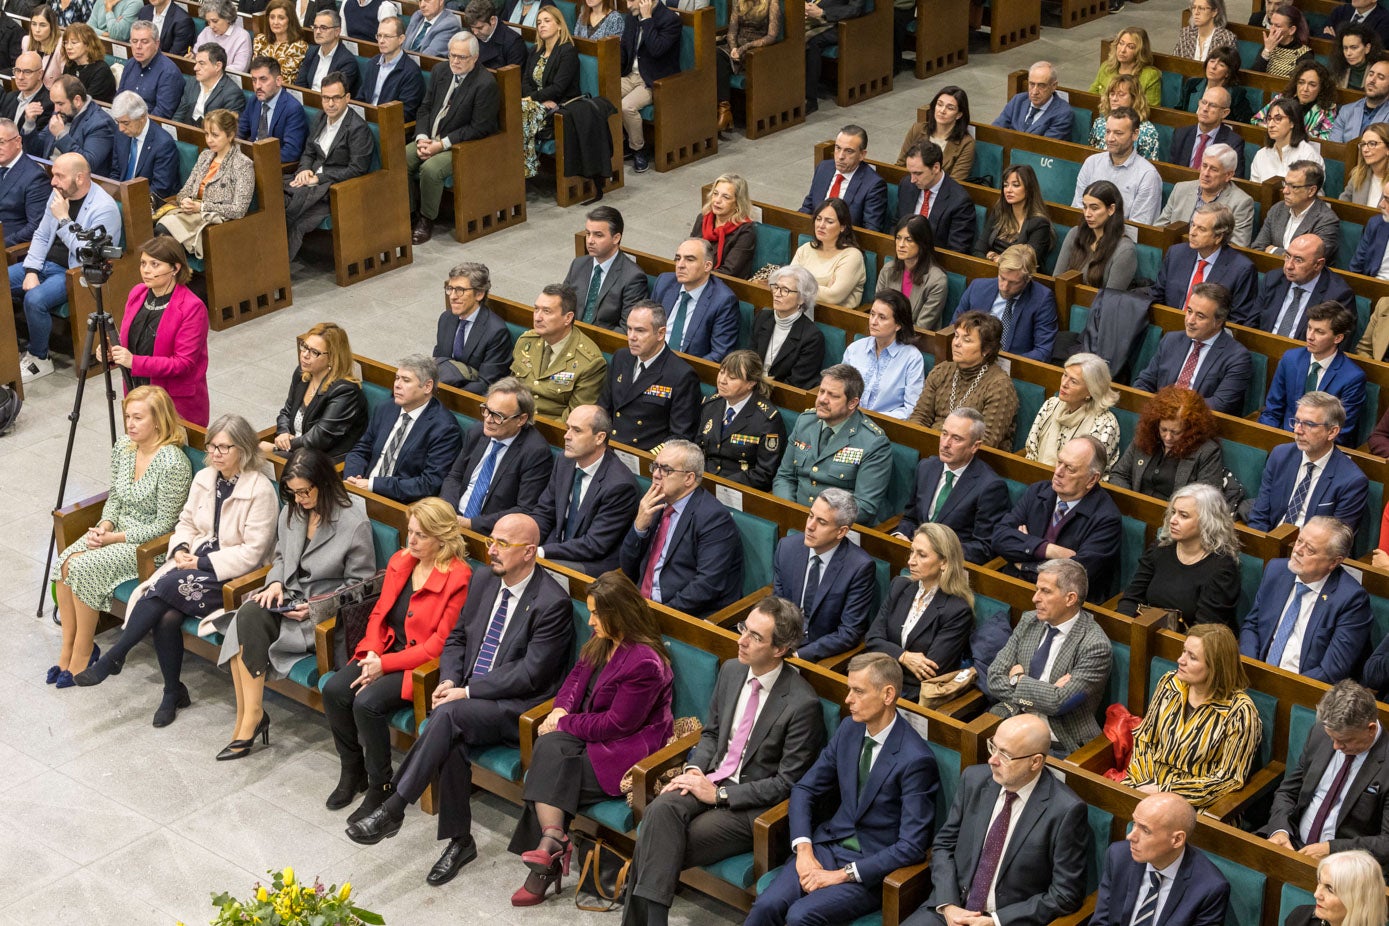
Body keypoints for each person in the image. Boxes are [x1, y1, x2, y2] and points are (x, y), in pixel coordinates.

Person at [343, 514, 573, 884]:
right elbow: (457, 639)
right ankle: (459, 841)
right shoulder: (484, 580)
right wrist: (449, 678)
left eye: (503, 545)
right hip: (467, 699)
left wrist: (466, 691)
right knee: (449, 731)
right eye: (491, 541)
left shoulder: (551, 603)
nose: (492, 550)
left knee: (447, 718)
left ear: (530, 552)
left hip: (514, 708)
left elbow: (531, 674)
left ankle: (394, 808)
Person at [621, 597, 826, 926]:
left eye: (755, 637)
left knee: (658, 840)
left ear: (780, 649)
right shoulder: (732, 670)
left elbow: (786, 783)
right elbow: (712, 734)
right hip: (710, 777)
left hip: (748, 807)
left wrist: (718, 796)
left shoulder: (802, 704)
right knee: (661, 810)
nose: (741, 639)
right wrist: (693, 771)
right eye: (744, 628)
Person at [77, 415, 278, 727]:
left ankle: (115, 656)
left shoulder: (260, 490)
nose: (216, 453)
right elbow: (184, 522)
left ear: (244, 449)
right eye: (212, 446)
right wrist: (182, 549)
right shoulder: (206, 479)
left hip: (232, 577)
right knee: (167, 616)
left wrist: (202, 563)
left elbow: (254, 552)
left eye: (225, 447)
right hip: (190, 565)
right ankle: (172, 691)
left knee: (163, 590)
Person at [506, 570, 674, 906]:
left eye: (597, 613)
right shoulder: (603, 641)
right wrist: (559, 711)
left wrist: (565, 723)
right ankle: (552, 841)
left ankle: (546, 858)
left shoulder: (644, 662)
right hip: (589, 735)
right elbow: (574, 680)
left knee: (549, 766)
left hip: (625, 749)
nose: (591, 621)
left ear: (619, 614)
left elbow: (617, 725)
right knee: (549, 750)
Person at [746, 652, 938, 926]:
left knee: (800, 916)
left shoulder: (916, 759)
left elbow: (911, 846)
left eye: (858, 691)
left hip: (869, 868)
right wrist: (804, 850)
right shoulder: (850, 729)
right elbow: (804, 789)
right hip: (827, 847)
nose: (848, 699)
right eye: (850, 689)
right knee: (767, 905)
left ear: (887, 695)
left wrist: (842, 874)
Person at [212, 448, 374, 759]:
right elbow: (282, 557)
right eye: (293, 492)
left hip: (321, 614)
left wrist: (316, 609)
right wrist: (274, 581)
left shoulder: (354, 522)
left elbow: (360, 589)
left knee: (244, 631)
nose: (298, 499)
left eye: (304, 492)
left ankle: (250, 722)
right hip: (287, 598)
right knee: (247, 615)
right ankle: (252, 715)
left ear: (324, 483)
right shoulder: (293, 511)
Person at [322, 497, 472, 823]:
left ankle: (381, 784)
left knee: (366, 703)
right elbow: (379, 614)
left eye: (421, 535)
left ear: (443, 538)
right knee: (335, 690)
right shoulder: (402, 560)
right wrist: (374, 651)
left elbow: (439, 645)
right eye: (410, 532)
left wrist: (384, 666)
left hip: (417, 666)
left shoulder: (458, 577)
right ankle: (353, 770)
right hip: (386, 648)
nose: (411, 540)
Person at [49, 387, 192, 689]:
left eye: (138, 417)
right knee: (64, 563)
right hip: (116, 532)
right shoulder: (124, 447)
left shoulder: (172, 463)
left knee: (83, 567)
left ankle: (84, 652)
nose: (130, 423)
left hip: (146, 546)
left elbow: (166, 525)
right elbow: (115, 496)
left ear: (158, 421)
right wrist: (104, 525)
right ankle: (68, 649)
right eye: (127, 416)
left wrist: (115, 538)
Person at [904, 713, 1089, 926]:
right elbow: (944, 845)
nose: (992, 760)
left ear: (1035, 762)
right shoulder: (974, 780)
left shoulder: (1065, 810)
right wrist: (948, 904)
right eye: (994, 746)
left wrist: (995, 921)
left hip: (1006, 921)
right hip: (951, 909)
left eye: (1005, 755)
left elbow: (1065, 895)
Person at [11, 152, 121, 384]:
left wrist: (63, 220)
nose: (53, 181)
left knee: (35, 299)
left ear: (79, 178)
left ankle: (40, 358)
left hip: (73, 272)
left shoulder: (104, 208)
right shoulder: (59, 194)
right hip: (43, 264)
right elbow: (41, 235)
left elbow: (87, 254)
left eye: (59, 176)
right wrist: (31, 270)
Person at [1125, 626, 1262, 806]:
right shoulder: (1169, 683)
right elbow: (1145, 739)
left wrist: (1166, 791)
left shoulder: (1240, 712)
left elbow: (1228, 779)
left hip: (1196, 802)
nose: (1180, 660)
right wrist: (1144, 784)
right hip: (1146, 782)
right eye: (1184, 651)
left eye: (1192, 657)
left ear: (1216, 667)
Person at [1261, 681, 1389, 869]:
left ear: (1370, 729)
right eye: (1333, 738)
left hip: (1346, 867)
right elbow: (1288, 792)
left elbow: (1386, 842)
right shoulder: (1321, 733)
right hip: (1292, 842)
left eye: (1344, 741)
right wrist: (1280, 831)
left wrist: (1332, 849)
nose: (1336, 747)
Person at [1239, 516, 1371, 682]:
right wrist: (1253, 669)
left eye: (1310, 550)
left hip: (1303, 691)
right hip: (1256, 676)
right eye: (1299, 540)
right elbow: (1252, 625)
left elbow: (1333, 670)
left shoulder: (1351, 600)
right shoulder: (1277, 570)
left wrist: (1281, 685)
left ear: (1334, 562)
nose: (1297, 550)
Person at [620, 440, 743, 616]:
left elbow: (706, 585)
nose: (655, 474)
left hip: (681, 614)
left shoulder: (713, 519)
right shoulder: (655, 503)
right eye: (655, 466)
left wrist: (661, 614)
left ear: (689, 478)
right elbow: (627, 567)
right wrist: (639, 527)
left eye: (665, 470)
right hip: (642, 604)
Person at [101, 237, 211, 427]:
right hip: (137, 392)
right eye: (143, 263)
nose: (146, 270)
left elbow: (183, 363)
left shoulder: (193, 307)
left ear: (175, 268)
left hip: (173, 403)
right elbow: (130, 341)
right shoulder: (138, 293)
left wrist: (133, 361)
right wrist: (113, 354)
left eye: (155, 264)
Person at [863, 522, 974, 701]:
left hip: (913, 696)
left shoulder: (957, 610)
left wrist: (886, 653)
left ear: (944, 562)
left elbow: (929, 671)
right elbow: (872, 639)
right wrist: (903, 656)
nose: (911, 561)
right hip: (878, 680)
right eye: (912, 551)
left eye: (921, 555)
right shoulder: (899, 586)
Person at [407, 32, 499, 244]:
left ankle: (426, 219)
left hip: (460, 145)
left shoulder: (485, 84)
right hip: (429, 137)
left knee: (430, 169)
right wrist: (421, 137)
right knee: (400, 159)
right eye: (452, 55)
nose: (455, 61)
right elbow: (425, 108)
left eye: (462, 57)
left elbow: (479, 128)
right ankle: (409, 214)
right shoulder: (440, 71)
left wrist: (441, 145)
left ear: (475, 58)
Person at [995, 436, 1123, 588]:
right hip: (1013, 585)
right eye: (1059, 462)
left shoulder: (1106, 518)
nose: (1058, 472)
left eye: (1070, 468)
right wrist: (1048, 550)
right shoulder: (1038, 491)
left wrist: (1025, 562)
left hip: (1063, 604)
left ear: (1091, 479)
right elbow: (999, 537)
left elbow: (1076, 576)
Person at [773, 365, 892, 525]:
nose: (822, 399)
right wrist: (791, 512)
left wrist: (817, 521)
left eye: (833, 395)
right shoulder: (805, 421)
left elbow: (865, 507)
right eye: (821, 391)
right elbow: (784, 476)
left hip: (836, 528)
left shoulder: (873, 442)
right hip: (794, 517)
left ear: (852, 403)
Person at [1091, 793, 1232, 926]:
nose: (1130, 837)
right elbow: (1101, 921)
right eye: (1134, 823)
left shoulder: (1210, 888)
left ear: (1177, 839)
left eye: (1145, 830)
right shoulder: (1119, 856)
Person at [532, 405, 639, 574]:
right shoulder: (564, 461)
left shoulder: (620, 485)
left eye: (577, 431)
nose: (567, 436)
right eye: (568, 428)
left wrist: (541, 552)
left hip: (591, 563)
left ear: (599, 437)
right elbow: (545, 511)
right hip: (558, 547)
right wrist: (524, 539)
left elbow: (594, 545)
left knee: (532, 568)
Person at [343, 354, 464, 502]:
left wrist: (374, 485)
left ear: (427, 386)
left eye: (406, 380)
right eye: (397, 378)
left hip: (400, 503)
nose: (397, 385)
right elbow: (361, 449)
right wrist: (352, 477)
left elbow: (429, 484)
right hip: (360, 488)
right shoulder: (386, 408)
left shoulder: (445, 428)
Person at [773, 490, 876, 661]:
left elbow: (849, 632)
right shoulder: (787, 548)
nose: (810, 526)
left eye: (821, 522)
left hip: (817, 651)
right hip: (781, 639)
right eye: (810, 516)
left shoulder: (859, 567)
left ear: (841, 532)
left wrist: (799, 656)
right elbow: (778, 603)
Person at [895, 407, 1008, 563]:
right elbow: (910, 517)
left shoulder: (990, 487)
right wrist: (901, 535)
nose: (946, 444)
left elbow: (984, 547)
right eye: (944, 433)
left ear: (975, 446)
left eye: (957, 439)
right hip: (914, 556)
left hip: (951, 567)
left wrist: (937, 551)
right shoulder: (926, 467)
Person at [1119, 484, 1240, 628]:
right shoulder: (1160, 549)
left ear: (1207, 522)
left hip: (1189, 644)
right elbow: (1131, 598)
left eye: (1183, 515)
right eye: (1173, 512)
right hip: (1148, 633)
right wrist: (1124, 629)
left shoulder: (1221, 569)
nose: (1172, 520)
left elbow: (1204, 631)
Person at [282, 70, 374, 260]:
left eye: (335, 98)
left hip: (332, 190)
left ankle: (279, 267)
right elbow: (308, 151)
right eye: (325, 98)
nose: (330, 104)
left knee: (292, 212)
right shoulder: (320, 118)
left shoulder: (357, 128)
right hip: (309, 180)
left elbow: (357, 169)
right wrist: (305, 169)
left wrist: (319, 178)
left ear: (347, 98)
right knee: (273, 196)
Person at [441, 378, 551, 533]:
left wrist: (471, 523)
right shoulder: (477, 432)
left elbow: (524, 510)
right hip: (454, 519)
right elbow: (455, 476)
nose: (488, 419)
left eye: (497, 416)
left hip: (491, 532)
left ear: (521, 419)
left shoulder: (535, 452)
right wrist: (448, 511)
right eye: (486, 410)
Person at [1132, 283, 1253, 416]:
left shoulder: (1237, 357)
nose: (1190, 320)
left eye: (1200, 316)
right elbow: (1144, 382)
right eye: (1189, 311)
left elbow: (1220, 404)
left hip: (1198, 425)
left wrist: (1174, 410)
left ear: (1218, 322)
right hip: (1159, 416)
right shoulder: (1171, 340)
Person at [599, 301, 701, 450]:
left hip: (643, 456)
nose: (632, 337)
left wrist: (649, 458)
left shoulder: (681, 375)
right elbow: (603, 407)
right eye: (629, 329)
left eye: (640, 331)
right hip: (609, 446)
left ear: (660, 333)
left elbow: (680, 436)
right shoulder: (621, 357)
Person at [1261, 302, 1366, 445]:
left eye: (1319, 332)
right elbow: (1272, 410)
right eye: (1309, 328)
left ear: (1338, 338)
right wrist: (1268, 440)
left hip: (1322, 448)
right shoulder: (1290, 359)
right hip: (1283, 440)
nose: (1310, 336)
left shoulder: (1352, 377)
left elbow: (1341, 430)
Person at [156, 109, 254, 260]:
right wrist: (185, 200)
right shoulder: (205, 156)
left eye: (215, 135)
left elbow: (239, 210)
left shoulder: (242, 164)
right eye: (207, 134)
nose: (209, 140)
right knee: (155, 228)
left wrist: (201, 207)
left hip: (214, 222)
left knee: (163, 233)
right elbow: (185, 191)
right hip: (191, 213)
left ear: (230, 135)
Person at [911, 311, 1019, 450]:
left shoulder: (999, 386)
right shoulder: (941, 371)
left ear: (986, 350)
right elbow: (919, 417)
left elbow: (986, 442)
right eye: (956, 336)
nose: (956, 343)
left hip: (972, 460)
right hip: (929, 448)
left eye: (966, 340)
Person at [263, 323, 367, 462]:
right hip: (296, 451)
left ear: (332, 358)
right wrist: (283, 433)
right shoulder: (302, 375)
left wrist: (278, 448)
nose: (305, 355)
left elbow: (319, 438)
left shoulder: (345, 391)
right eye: (304, 347)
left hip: (322, 460)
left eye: (314, 352)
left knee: (257, 456)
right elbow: (286, 412)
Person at [1109, 387, 1229, 503]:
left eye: (1175, 432)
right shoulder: (1146, 437)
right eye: (1163, 429)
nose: (1168, 437)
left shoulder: (1206, 451)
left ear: (1190, 430)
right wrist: (1131, 503)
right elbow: (1119, 474)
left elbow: (1207, 501)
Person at [510, 283, 607, 421]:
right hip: (515, 420)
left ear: (568, 318)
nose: (537, 317)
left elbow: (576, 417)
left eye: (546, 311)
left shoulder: (589, 362)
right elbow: (512, 388)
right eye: (536, 309)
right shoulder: (527, 341)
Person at [695, 350, 787, 490]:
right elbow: (697, 448)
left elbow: (764, 473)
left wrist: (720, 486)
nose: (722, 380)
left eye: (732, 377)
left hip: (738, 490)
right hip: (703, 481)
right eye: (722, 372)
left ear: (751, 383)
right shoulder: (711, 404)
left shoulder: (767, 419)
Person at [951, 244, 1057, 363]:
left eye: (1013, 283)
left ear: (1028, 279)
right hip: (970, 361)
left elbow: (1043, 351)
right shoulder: (978, 288)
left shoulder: (1042, 299)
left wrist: (1003, 363)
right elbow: (954, 327)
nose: (1004, 287)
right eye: (1002, 278)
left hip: (1013, 371)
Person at [1152, 203, 1257, 322]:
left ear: (1219, 237)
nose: (1192, 232)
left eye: (1201, 229)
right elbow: (1157, 296)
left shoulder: (1241, 269)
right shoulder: (1176, 253)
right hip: (1169, 328)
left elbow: (1238, 321)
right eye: (1193, 225)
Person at [1024, 353, 1120, 471]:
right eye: (1065, 375)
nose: (1064, 384)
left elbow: (1092, 471)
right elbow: (1031, 452)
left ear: (1091, 390)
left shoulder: (1105, 423)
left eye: (1073, 381)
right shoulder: (1051, 405)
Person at [1247, 234, 1355, 336]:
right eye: (1288, 256)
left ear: (1318, 264)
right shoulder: (1273, 279)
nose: (1289, 266)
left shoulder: (1338, 295)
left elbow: (1334, 346)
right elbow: (1251, 324)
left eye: (1298, 260)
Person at [651, 238, 740, 360]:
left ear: (707, 266)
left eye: (689, 259)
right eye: (678, 258)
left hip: (686, 370)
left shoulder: (723, 300)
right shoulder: (664, 282)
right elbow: (647, 325)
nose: (680, 265)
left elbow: (720, 353)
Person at [431, 262, 513, 393]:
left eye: (460, 290)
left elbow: (487, 383)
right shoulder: (446, 319)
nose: (452, 296)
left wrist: (447, 395)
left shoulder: (496, 331)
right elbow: (438, 360)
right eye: (450, 288)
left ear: (479, 294)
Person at [618, 0, 680, 173]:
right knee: (605, 95)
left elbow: (656, 50)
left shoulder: (670, 20)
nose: (628, 4)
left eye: (631, 0)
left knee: (627, 106)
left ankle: (639, 150)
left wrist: (647, 19)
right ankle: (618, 142)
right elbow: (624, 48)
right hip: (630, 74)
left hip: (653, 80)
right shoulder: (631, 18)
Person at [1073, 107, 1162, 227]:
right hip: (1086, 234)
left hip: (1120, 241)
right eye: (1108, 131)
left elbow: (1138, 228)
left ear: (1135, 134)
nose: (1110, 139)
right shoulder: (1091, 163)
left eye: (1118, 133)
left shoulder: (1147, 175)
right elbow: (1078, 209)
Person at [564, 205, 649, 330]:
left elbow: (627, 329)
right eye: (588, 234)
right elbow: (560, 304)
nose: (590, 241)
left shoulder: (633, 277)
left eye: (598, 235)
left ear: (616, 238)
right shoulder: (578, 264)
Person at [1157, 144, 1257, 249]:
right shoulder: (1181, 189)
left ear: (1228, 175)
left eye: (1213, 169)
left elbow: (1237, 247)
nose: (1206, 173)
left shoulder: (1241, 202)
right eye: (1204, 166)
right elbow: (1160, 228)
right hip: (1175, 253)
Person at [842, 291, 924, 420]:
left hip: (885, 428)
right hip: (848, 419)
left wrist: (870, 419)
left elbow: (911, 409)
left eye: (882, 317)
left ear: (898, 325)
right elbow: (840, 389)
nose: (873, 322)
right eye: (872, 314)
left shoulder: (912, 358)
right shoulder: (855, 349)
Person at [518, 7, 578, 178]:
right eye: (538, 22)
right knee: (511, 111)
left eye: (547, 21)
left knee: (520, 111)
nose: (541, 25)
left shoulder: (567, 51)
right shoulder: (536, 50)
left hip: (560, 106)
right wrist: (534, 100)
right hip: (537, 104)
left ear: (559, 25)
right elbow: (525, 81)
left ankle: (526, 168)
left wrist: (531, 99)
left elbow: (559, 88)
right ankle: (516, 166)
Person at [799, 130, 890, 240]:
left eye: (849, 151)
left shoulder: (873, 185)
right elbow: (809, 206)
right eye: (838, 148)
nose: (841, 156)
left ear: (862, 155)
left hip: (845, 244)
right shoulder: (824, 168)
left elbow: (870, 231)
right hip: (815, 235)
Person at [1055, 180, 1138, 292]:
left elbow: (1110, 300)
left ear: (1111, 209)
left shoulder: (1124, 250)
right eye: (1085, 207)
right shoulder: (1075, 233)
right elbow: (1056, 280)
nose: (1087, 214)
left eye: (1094, 208)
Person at [752, 265, 826, 390]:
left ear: (802, 298)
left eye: (785, 290)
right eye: (776, 287)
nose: (777, 294)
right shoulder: (763, 317)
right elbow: (750, 358)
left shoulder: (812, 337)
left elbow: (796, 383)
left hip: (780, 397)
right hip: (751, 387)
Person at [713, 0, 779, 130]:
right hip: (736, 48)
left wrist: (745, 48)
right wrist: (733, 48)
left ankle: (724, 112)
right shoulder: (738, 1)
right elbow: (732, 31)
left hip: (756, 50)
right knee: (713, 55)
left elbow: (772, 36)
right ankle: (722, 111)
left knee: (719, 60)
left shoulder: (772, 3)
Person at [896, 141, 974, 253]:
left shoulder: (960, 201)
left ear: (936, 168)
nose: (912, 179)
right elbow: (897, 222)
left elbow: (956, 251)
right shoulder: (906, 185)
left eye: (918, 173)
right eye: (910, 173)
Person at [1253, 162, 1341, 258]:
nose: (1285, 191)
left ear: (1311, 191)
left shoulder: (1326, 221)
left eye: (1293, 187)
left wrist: (1273, 250)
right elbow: (1258, 248)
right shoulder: (1278, 209)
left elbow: (1309, 261)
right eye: (1285, 184)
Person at [33, 76, 116, 176]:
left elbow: (88, 164)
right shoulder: (62, 112)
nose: (56, 109)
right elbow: (36, 150)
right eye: (54, 103)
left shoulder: (101, 124)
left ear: (77, 100)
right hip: (48, 175)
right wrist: (29, 124)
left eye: (60, 103)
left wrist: (61, 135)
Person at [792, 197, 867, 308]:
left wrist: (798, 286)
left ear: (842, 227)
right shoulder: (806, 249)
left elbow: (832, 297)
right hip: (799, 311)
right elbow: (788, 283)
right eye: (818, 219)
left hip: (833, 320)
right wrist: (824, 287)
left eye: (829, 221)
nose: (821, 225)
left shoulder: (852, 256)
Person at [974, 165, 1054, 266]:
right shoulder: (999, 212)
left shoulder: (1040, 224)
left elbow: (1026, 263)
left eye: (1015, 185)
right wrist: (996, 260)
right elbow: (978, 250)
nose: (1008, 190)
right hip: (988, 271)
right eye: (1006, 185)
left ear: (1029, 189)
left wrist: (998, 258)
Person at [878, 215, 947, 330]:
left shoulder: (936, 280)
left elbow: (922, 327)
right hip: (884, 334)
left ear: (922, 243)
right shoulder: (888, 270)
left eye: (908, 240)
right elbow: (878, 310)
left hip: (915, 340)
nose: (900, 245)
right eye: (898, 238)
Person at [238, 56, 309, 163]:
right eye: (254, 80)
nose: (257, 86)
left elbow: (291, 152)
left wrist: (258, 160)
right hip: (249, 161)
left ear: (278, 81)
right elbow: (240, 131)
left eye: (263, 79)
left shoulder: (292, 108)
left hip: (273, 167)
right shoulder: (254, 101)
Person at [895, 86, 974, 181]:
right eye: (939, 105)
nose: (942, 111)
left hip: (941, 193)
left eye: (950, 108)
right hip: (912, 185)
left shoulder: (966, 143)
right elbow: (900, 165)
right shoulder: (917, 129)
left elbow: (955, 182)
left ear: (959, 115)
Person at [1288, 852, 1389, 926]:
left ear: (1359, 900)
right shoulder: (1300, 916)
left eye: (1330, 889)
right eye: (1319, 882)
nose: (1316, 894)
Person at [1168, 87, 1249, 179]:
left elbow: (1234, 180)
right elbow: (1171, 173)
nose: (1205, 109)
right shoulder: (1181, 134)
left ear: (1225, 113)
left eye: (1213, 105)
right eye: (1203, 102)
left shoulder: (1233, 143)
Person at [1252, 60, 1339, 141]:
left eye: (1312, 85)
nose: (1305, 89)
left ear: (1321, 88)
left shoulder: (1327, 109)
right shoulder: (1282, 98)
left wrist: (1291, 136)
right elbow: (1256, 120)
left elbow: (1326, 139)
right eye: (1301, 82)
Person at [359, 17, 425, 122]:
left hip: (389, 126)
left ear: (401, 39)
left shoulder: (411, 72)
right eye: (379, 36)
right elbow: (361, 98)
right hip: (365, 122)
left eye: (387, 36)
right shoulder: (372, 64)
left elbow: (406, 114)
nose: (381, 41)